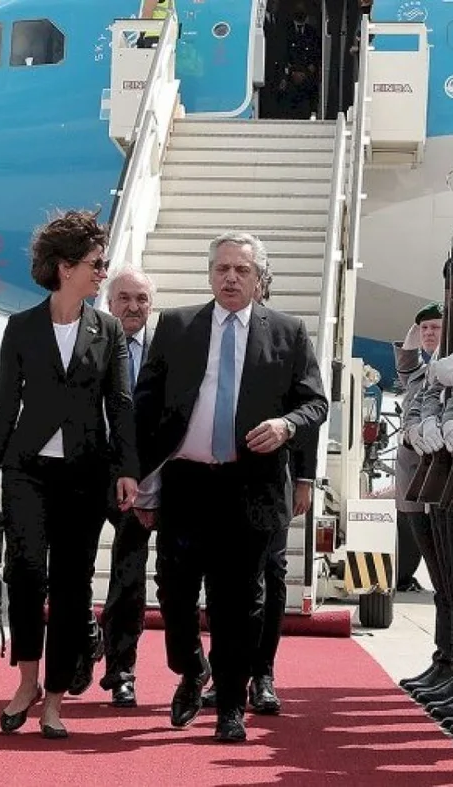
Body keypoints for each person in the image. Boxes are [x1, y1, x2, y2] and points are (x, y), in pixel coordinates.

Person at [132, 231, 326, 743]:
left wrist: (287, 425)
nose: (230, 278)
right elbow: (144, 406)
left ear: (260, 279)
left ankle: (230, 709)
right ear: (209, 274)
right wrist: (136, 474)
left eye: (241, 270)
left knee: (238, 603)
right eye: (222, 269)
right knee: (173, 595)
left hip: (249, 485)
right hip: (187, 482)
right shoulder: (176, 326)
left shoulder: (288, 331)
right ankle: (191, 669)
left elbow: (316, 403)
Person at [0, 210, 139, 739]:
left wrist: (126, 469)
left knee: (72, 584)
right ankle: (25, 681)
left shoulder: (108, 329)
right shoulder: (21, 327)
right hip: (27, 470)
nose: (102, 272)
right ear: (65, 267)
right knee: (24, 572)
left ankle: (55, 700)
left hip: (85, 474)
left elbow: (122, 403)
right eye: (96, 264)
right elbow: (4, 404)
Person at [97, 267, 156, 708]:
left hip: (146, 481)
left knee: (129, 577)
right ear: (108, 302)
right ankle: (80, 652)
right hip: (90, 473)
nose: (132, 307)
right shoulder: (90, 343)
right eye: (124, 299)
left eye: (141, 299)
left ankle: (122, 670)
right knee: (70, 573)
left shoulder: (166, 351)